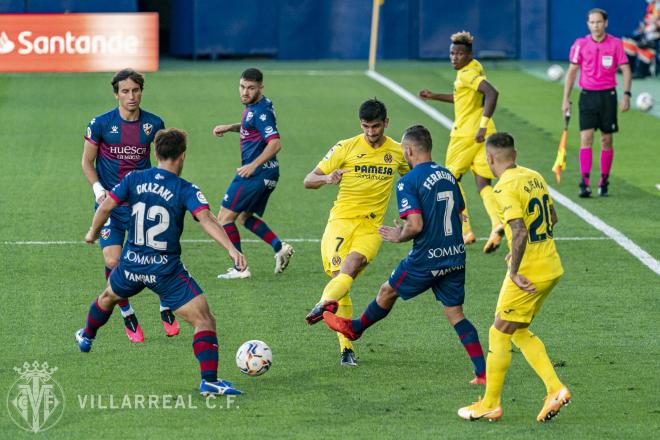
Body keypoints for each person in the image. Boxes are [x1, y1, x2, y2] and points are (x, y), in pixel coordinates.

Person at [76, 128, 245, 396]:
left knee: (107, 297)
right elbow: (207, 219)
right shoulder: (184, 188)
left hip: (131, 264)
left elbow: (107, 205)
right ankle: (210, 380)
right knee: (204, 320)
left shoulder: (133, 178)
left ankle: (86, 335)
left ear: (155, 153)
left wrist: (92, 233)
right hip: (165, 272)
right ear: (182, 156)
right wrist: (231, 249)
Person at [322, 125, 486, 384]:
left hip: (425, 258)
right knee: (456, 314)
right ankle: (482, 373)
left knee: (387, 291)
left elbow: (416, 225)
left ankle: (355, 329)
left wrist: (400, 235)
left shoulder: (408, 181)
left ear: (408, 150)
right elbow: (459, 213)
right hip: (455, 255)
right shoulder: (448, 174)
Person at [458, 133, 571, 422]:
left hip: (529, 272)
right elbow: (552, 219)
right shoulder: (534, 176)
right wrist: (519, 251)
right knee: (518, 330)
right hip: (550, 266)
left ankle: (490, 403)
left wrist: (515, 268)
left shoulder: (503, 188)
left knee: (499, 331)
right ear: (515, 152)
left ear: (489, 159)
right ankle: (555, 389)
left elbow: (519, 230)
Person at [303, 98, 410, 366]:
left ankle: (322, 304)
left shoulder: (398, 152)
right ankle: (346, 348)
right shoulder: (345, 147)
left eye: (376, 127)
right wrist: (327, 178)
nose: (371, 133)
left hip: (372, 227)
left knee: (351, 267)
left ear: (386, 122)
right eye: (366, 127)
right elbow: (308, 180)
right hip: (341, 222)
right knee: (342, 281)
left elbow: (414, 178)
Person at [82, 68, 178, 343]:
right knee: (113, 260)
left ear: (141, 92)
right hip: (110, 204)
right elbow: (87, 162)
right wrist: (98, 189)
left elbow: (165, 160)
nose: (131, 96)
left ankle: (165, 302)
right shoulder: (100, 123)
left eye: (135, 90)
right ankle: (126, 311)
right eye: (125, 91)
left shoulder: (154, 123)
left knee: (155, 256)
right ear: (116, 94)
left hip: (142, 205)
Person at [418, 31, 504, 254]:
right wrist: (434, 95)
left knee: (450, 180)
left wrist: (483, 124)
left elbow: (492, 93)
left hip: (466, 134)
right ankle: (497, 224)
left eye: (459, 54)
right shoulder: (475, 67)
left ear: (469, 54)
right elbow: (464, 96)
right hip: (480, 135)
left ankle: (465, 230)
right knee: (483, 183)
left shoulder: (467, 74)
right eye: (452, 53)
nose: (454, 57)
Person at [212, 68, 293, 280]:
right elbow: (251, 127)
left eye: (250, 88)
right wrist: (230, 127)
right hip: (270, 173)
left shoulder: (260, 111)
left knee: (224, 218)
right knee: (244, 217)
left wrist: (253, 165)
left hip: (255, 173)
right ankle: (279, 247)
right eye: (242, 87)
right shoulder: (258, 106)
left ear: (260, 87)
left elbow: (275, 144)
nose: (245, 92)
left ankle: (240, 268)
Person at [563, 8, 632, 198]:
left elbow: (626, 69)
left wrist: (626, 95)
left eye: (599, 22)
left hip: (608, 96)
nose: (596, 26)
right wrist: (565, 100)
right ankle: (584, 183)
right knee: (586, 139)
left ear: (606, 23)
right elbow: (571, 73)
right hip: (587, 97)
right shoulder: (580, 44)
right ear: (588, 24)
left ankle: (604, 181)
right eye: (592, 22)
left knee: (606, 140)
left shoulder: (616, 44)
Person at [623, 1, 659, 80]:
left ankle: (641, 71)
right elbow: (646, 21)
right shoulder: (651, 5)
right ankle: (629, 68)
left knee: (646, 46)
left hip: (655, 37)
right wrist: (642, 29)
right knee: (628, 40)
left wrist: (656, 23)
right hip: (647, 33)